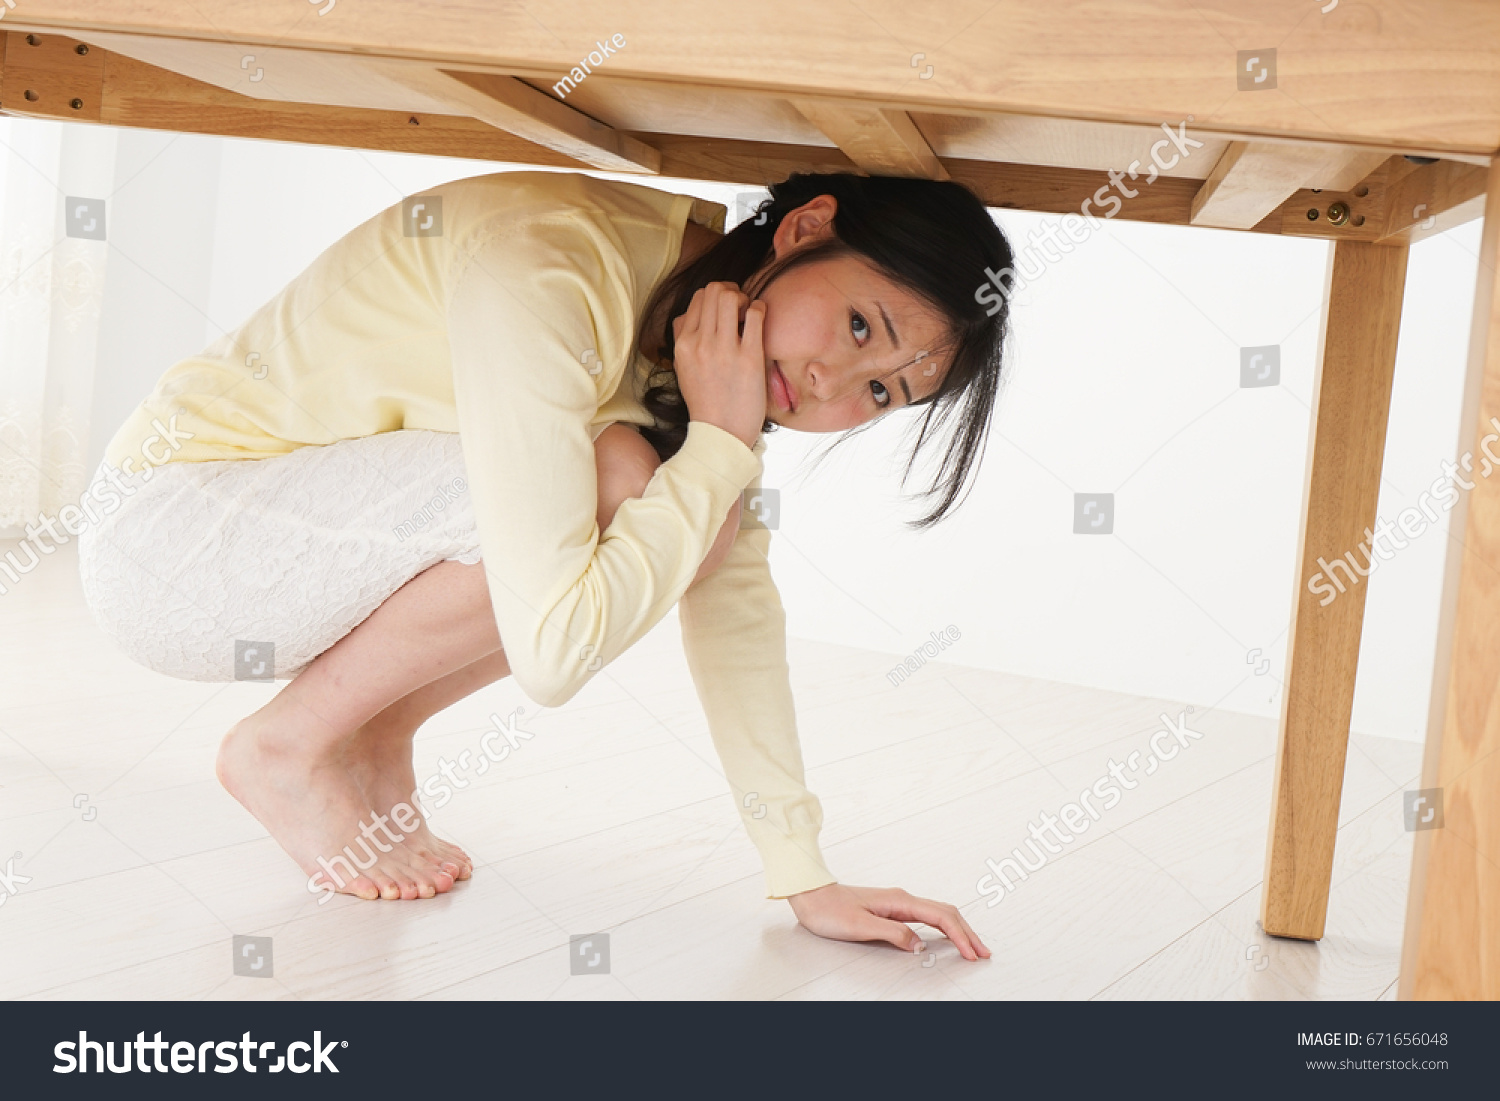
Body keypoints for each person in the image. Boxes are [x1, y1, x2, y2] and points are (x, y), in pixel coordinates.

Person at [76, 167, 1014, 961]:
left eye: (881, 392)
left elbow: (730, 601)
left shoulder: (701, 337)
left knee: (688, 512)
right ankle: (284, 745)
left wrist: (803, 873)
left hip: (283, 550)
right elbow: (553, 654)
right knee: (627, 481)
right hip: (174, 538)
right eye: (860, 328)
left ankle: (367, 735)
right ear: (806, 230)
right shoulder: (555, 262)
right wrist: (721, 448)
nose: (831, 390)